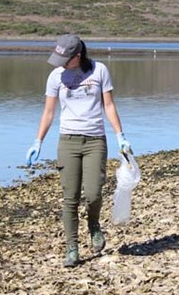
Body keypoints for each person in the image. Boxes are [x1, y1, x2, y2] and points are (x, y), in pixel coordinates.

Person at [25, 34, 132, 267]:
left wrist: (120, 136)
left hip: (95, 141)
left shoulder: (99, 71)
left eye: (65, 59)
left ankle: (93, 224)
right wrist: (38, 141)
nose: (60, 63)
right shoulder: (55, 77)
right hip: (68, 142)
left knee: (94, 193)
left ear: (78, 56)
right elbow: (49, 113)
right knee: (70, 198)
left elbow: (109, 105)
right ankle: (72, 248)